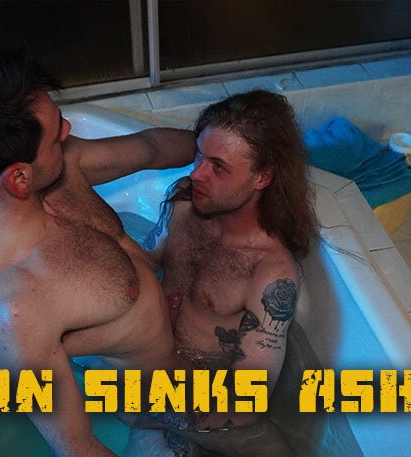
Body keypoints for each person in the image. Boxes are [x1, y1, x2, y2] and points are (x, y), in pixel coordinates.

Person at [0, 50, 197, 457]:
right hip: (148, 400)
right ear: (19, 179)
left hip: (130, 331)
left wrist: (221, 144)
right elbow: (78, 447)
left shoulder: (62, 165)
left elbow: (151, 148)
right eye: (55, 132)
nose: (68, 130)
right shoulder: (16, 308)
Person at [133, 90, 318, 456]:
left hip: (203, 396)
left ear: (262, 177)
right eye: (199, 155)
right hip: (148, 357)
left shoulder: (269, 270)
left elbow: (247, 403)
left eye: (218, 166)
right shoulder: (186, 200)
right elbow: (148, 258)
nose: (196, 173)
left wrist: (150, 408)